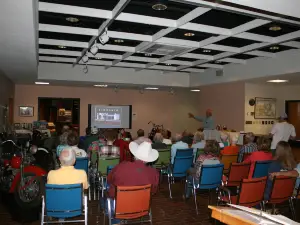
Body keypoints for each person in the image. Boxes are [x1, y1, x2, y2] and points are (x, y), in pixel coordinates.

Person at [106, 141, 159, 224]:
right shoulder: (154, 173)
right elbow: (153, 191)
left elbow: (109, 179)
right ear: (148, 159)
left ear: (134, 155)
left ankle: (116, 221)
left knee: (108, 189)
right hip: (142, 206)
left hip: (120, 206)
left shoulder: (121, 167)